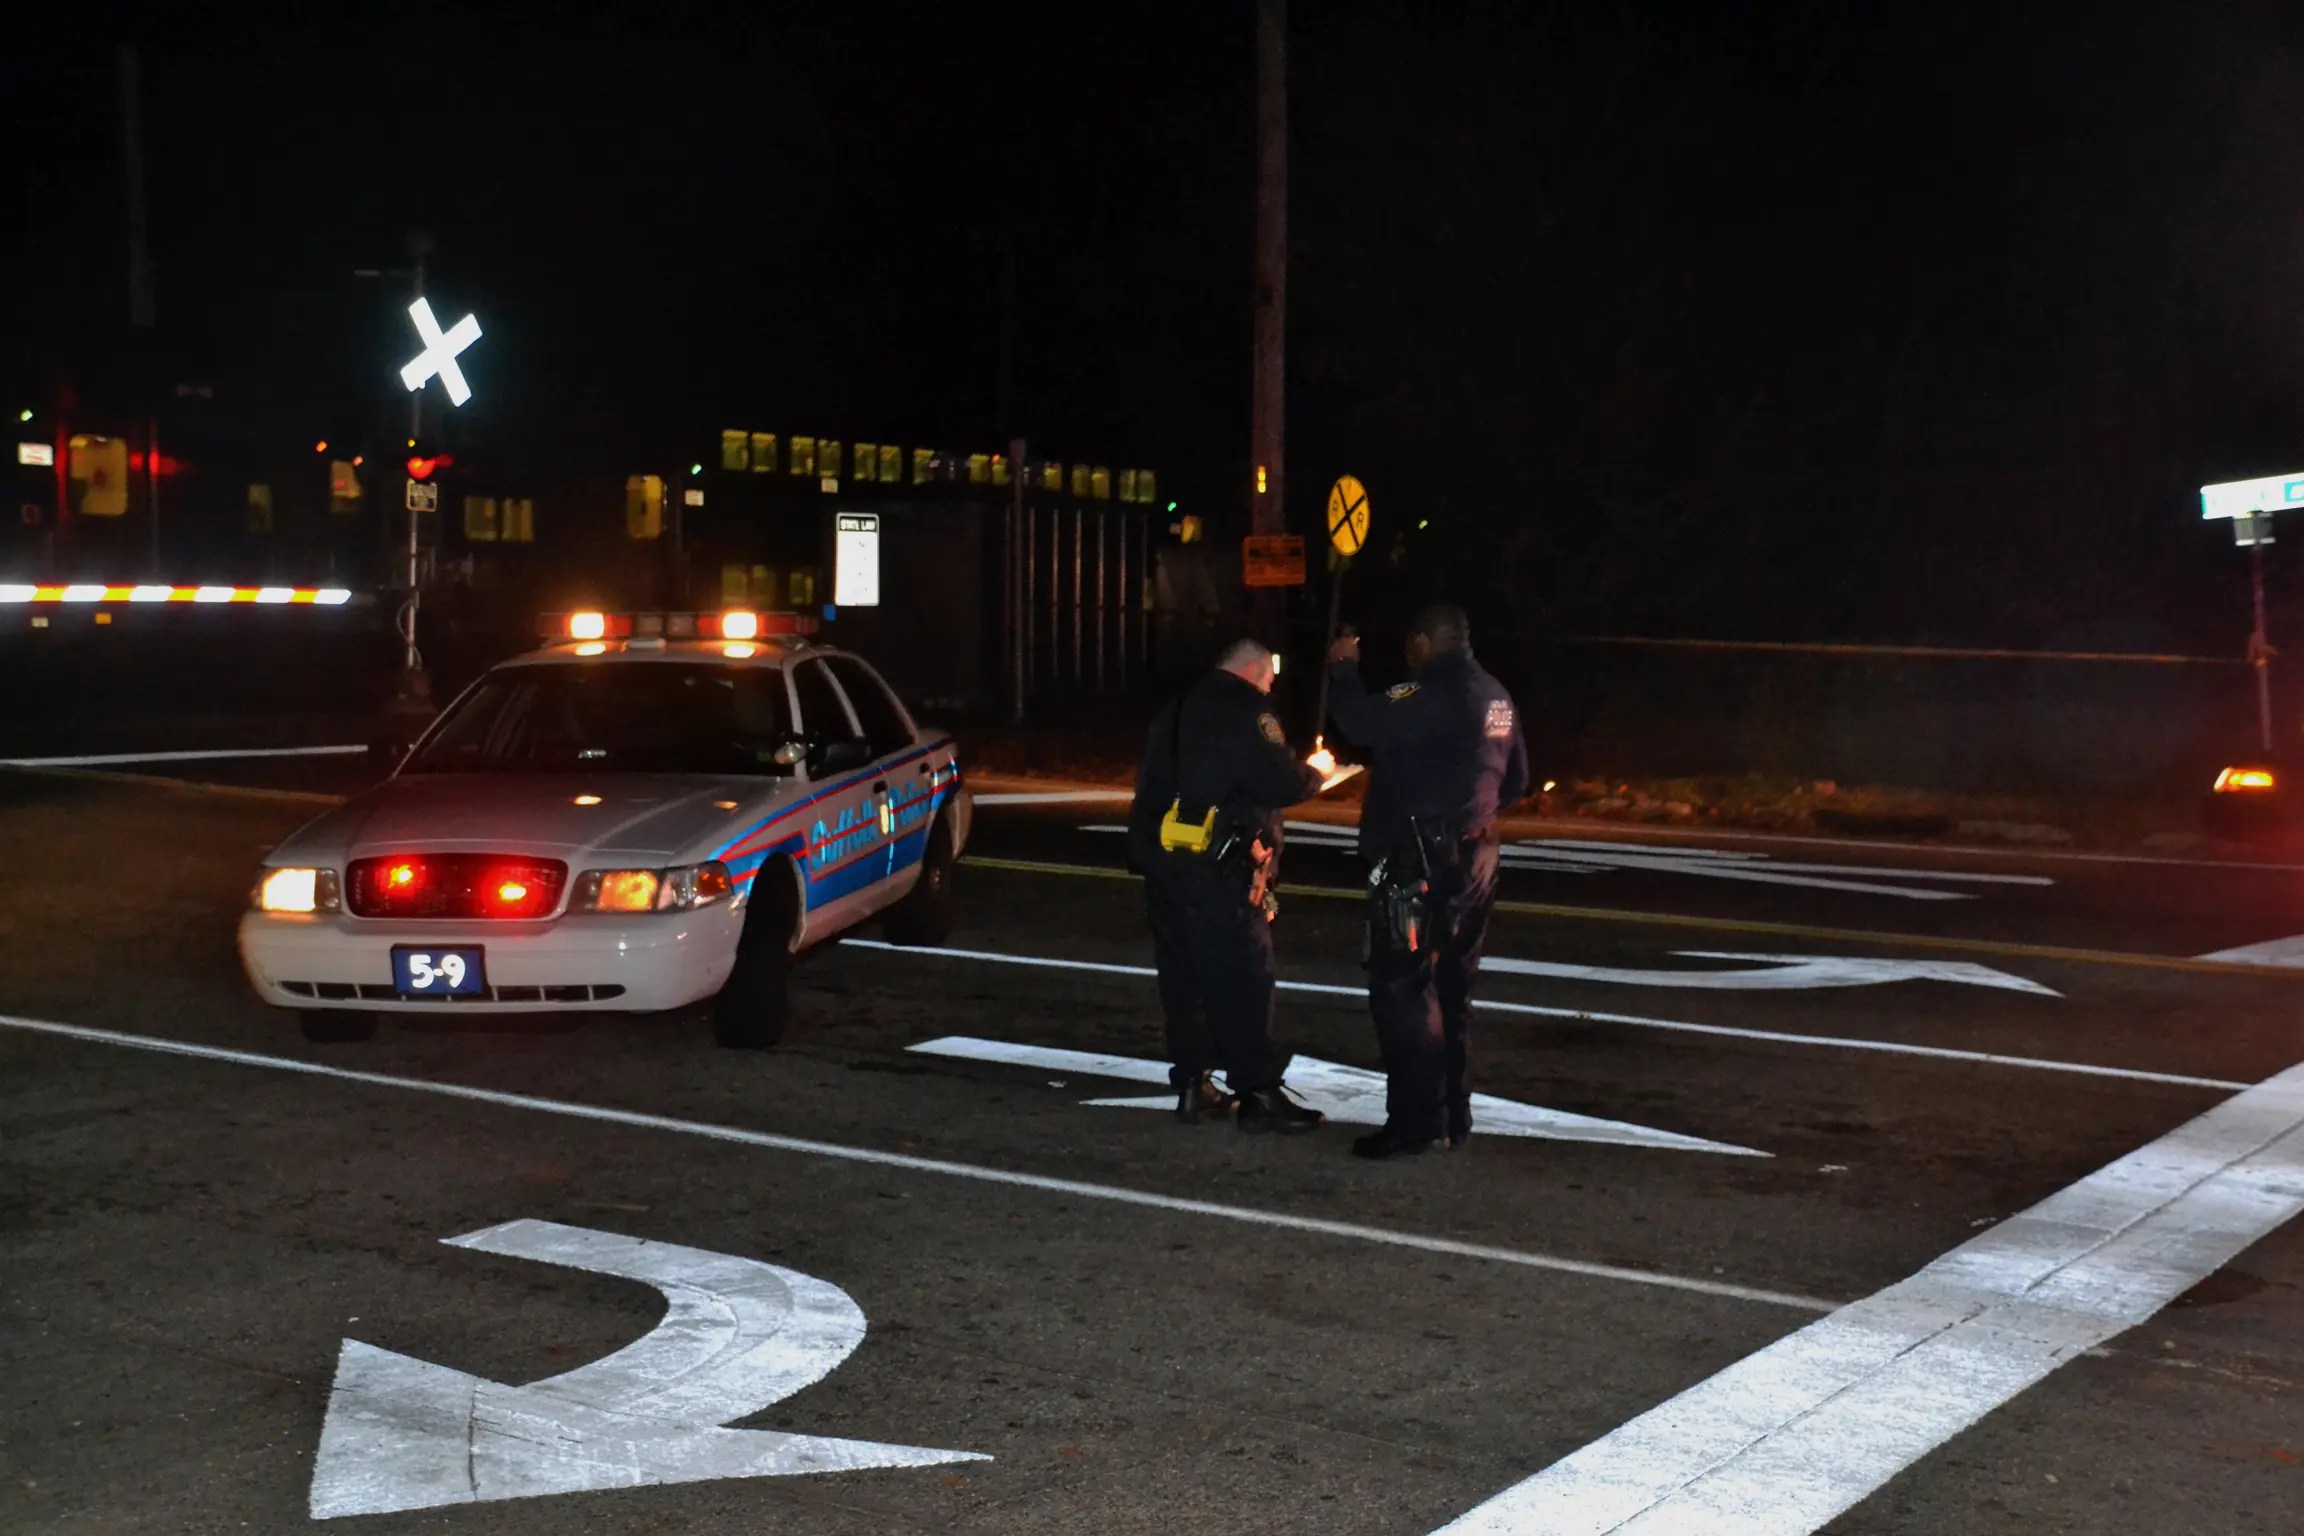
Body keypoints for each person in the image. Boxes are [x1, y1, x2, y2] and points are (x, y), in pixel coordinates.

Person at [1325, 603, 1529, 1159]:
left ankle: (1414, 1123)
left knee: (1404, 990)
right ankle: (1452, 1115)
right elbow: (1516, 781)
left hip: (1418, 860)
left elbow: (1358, 723)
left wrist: (1344, 667)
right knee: (1454, 988)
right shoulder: (1496, 695)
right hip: (1477, 855)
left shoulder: (1425, 694)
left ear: (1422, 641)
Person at [1127, 638, 1327, 1132]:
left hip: (1165, 865)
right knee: (1245, 979)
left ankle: (1193, 1084)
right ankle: (1257, 1093)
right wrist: (1316, 773)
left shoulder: (1174, 710)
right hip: (1221, 872)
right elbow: (1279, 782)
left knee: (1183, 980)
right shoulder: (1250, 712)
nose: (1270, 689)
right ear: (1257, 672)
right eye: (1270, 681)